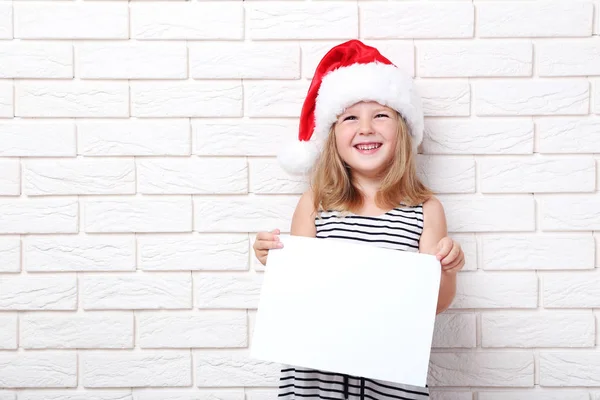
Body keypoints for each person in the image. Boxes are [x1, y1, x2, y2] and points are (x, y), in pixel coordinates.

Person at [253, 40, 465, 400]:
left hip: (391, 378)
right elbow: (296, 290)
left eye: (380, 115)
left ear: (403, 129)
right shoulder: (315, 204)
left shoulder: (425, 209)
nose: (366, 128)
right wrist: (272, 258)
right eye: (350, 117)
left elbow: (438, 302)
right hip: (317, 381)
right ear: (332, 136)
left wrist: (446, 267)